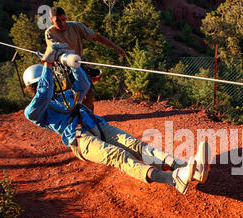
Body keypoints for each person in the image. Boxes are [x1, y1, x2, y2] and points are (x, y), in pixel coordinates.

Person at [23, 44, 210, 194]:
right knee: (118, 156)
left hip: (98, 125)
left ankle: (186, 168)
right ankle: (173, 179)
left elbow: (84, 84)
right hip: (80, 139)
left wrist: (74, 65)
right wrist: (47, 63)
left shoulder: (64, 94)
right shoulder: (34, 111)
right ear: (35, 85)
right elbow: (44, 94)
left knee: (138, 146)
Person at [45, 6, 126, 112]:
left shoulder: (76, 26)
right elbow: (53, 48)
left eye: (64, 19)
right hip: (63, 68)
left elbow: (96, 37)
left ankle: (89, 119)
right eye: (58, 21)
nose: (62, 23)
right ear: (51, 20)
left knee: (88, 94)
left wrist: (116, 48)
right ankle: (69, 118)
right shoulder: (50, 33)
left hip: (79, 64)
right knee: (68, 96)